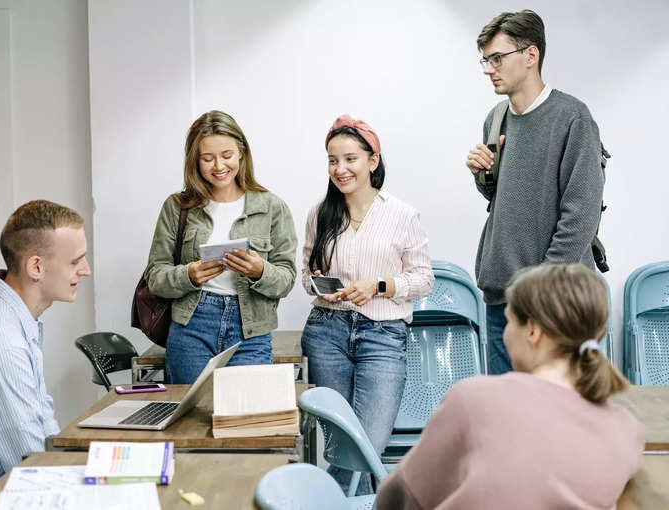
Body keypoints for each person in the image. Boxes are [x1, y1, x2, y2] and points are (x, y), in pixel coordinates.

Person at [375, 263, 643, 510]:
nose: (504, 334)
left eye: (510, 321)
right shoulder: (626, 431)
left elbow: (400, 496)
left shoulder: (475, 399)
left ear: (533, 331)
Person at [465, 10, 605, 374]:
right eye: (486, 59)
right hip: (501, 301)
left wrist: (538, 290)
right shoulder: (495, 119)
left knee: (559, 419)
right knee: (506, 419)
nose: (488, 68)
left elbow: (581, 217)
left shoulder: (573, 118)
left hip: (554, 304)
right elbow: (505, 199)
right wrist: (484, 176)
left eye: (497, 58)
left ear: (531, 55)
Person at [301, 114, 434, 495]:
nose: (340, 169)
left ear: (372, 161)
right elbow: (305, 275)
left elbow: (424, 279)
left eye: (350, 159)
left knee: (366, 446)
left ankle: (323, 501)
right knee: (341, 445)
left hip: (384, 336)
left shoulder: (402, 215)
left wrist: (379, 285)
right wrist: (320, 287)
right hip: (327, 332)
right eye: (332, 160)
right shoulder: (320, 214)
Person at [145, 110, 297, 383]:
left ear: (241, 152)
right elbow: (155, 277)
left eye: (226, 155)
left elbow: (286, 280)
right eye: (207, 158)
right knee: (190, 420)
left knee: (246, 419)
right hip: (192, 326)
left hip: (251, 330)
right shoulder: (177, 207)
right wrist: (188, 275)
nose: (218, 166)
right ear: (195, 160)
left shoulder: (272, 207)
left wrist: (260, 271)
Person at [0, 200, 91, 483]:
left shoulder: (13, 315)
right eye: (75, 261)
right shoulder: (3, 341)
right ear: (36, 266)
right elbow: (28, 462)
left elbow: (40, 416)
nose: (85, 270)